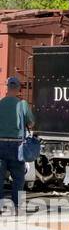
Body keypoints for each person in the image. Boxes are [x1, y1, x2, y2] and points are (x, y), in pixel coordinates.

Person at [0, 76, 34, 215]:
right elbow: (31, 123)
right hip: (16, 146)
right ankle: (18, 208)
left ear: (7, 87)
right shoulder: (23, 105)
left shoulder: (0, 104)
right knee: (18, 178)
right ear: (19, 88)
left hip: (0, 144)